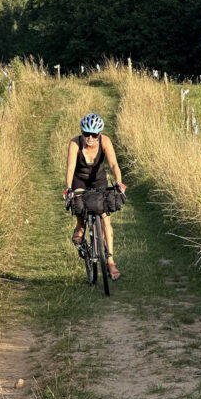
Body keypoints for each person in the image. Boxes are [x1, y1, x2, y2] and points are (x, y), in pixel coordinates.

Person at [64, 112, 126, 281]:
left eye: (94, 134)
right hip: (80, 179)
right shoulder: (75, 143)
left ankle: (111, 262)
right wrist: (68, 188)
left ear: (99, 134)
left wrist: (119, 182)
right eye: (86, 133)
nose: (90, 138)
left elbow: (113, 164)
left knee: (105, 220)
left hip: (99, 180)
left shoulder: (105, 141)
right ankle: (80, 226)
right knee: (78, 202)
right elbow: (70, 168)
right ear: (81, 132)